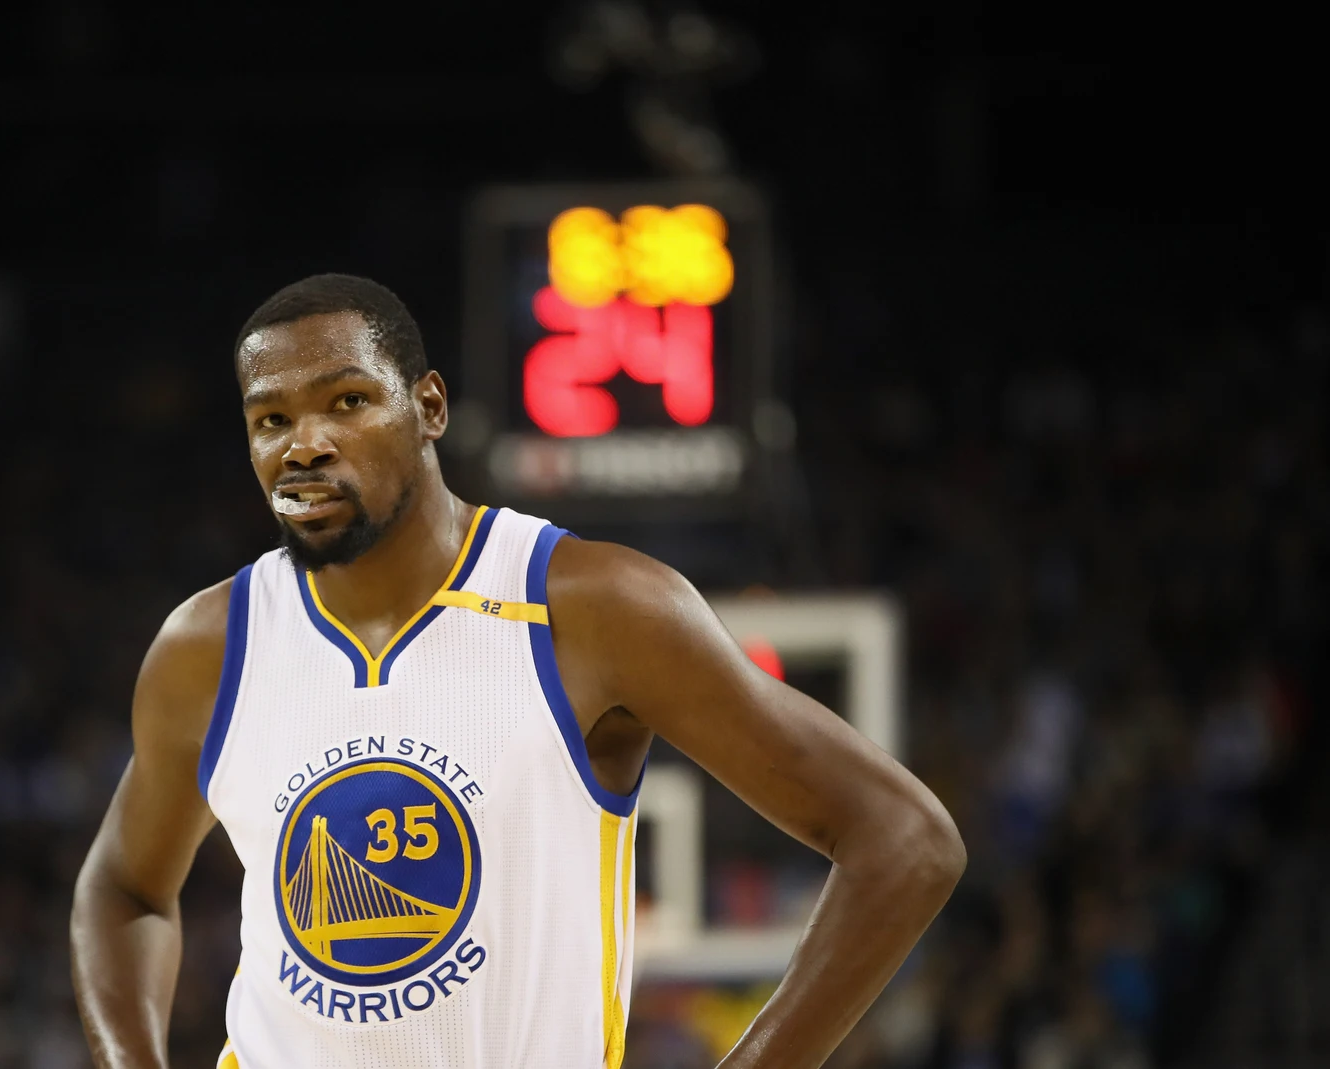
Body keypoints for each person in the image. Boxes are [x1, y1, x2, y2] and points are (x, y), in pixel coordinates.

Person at [69, 274, 965, 1069]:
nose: (305, 444)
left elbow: (905, 838)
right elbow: (122, 890)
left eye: (347, 401)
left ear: (428, 406)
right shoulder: (208, 646)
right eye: (272, 420)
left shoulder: (593, 605)